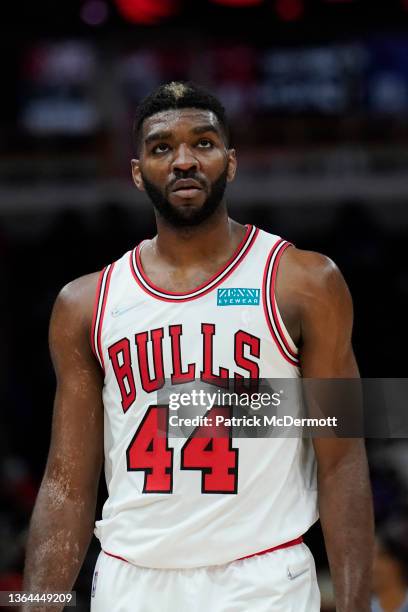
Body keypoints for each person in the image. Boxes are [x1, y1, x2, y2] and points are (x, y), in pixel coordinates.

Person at [23, 81, 374, 611]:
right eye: (162, 147)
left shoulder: (304, 281)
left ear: (230, 162)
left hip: (262, 578)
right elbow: (66, 485)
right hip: (130, 581)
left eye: (203, 143)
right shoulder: (85, 303)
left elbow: (342, 458)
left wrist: (355, 606)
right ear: (138, 171)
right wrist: (38, 604)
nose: (184, 160)